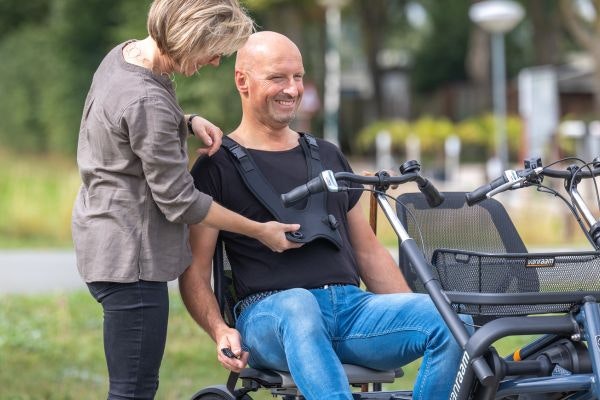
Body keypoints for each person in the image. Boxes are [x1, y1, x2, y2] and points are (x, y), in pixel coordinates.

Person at [180, 31, 471, 400]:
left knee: (452, 321)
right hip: (270, 315)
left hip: (350, 309)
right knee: (299, 304)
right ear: (242, 81)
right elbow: (194, 271)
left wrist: (408, 310)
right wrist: (220, 330)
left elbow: (368, 252)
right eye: (277, 78)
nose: (292, 89)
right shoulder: (215, 165)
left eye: (298, 77)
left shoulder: (328, 156)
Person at [71, 3, 302, 399]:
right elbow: (180, 202)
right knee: (134, 390)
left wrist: (186, 120)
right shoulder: (148, 100)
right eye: (213, 50)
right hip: (131, 262)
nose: (214, 62)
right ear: (189, 39)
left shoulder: (126, 56)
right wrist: (259, 229)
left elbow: (129, 122)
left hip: (100, 238)